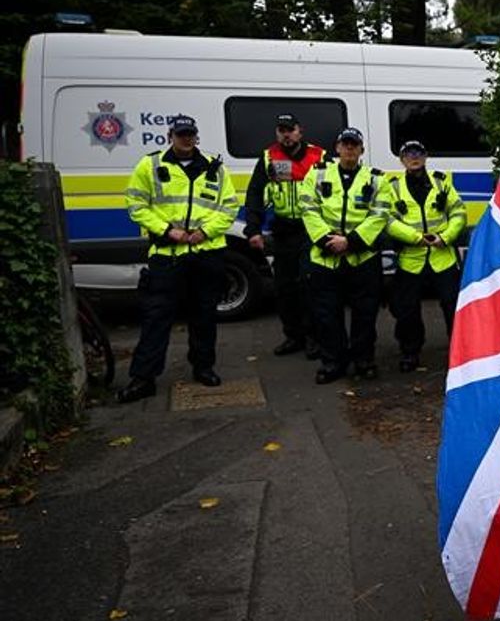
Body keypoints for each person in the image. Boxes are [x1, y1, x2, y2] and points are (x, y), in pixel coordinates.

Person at [116, 116, 239, 403]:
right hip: (167, 256)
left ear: (197, 136)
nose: (186, 139)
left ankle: (203, 367)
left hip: (206, 253)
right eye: (181, 134)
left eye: (190, 134)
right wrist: (168, 231)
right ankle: (143, 378)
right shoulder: (150, 165)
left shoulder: (215, 167)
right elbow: (136, 204)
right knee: (156, 317)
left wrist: (204, 232)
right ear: (170, 135)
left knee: (205, 316)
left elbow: (229, 206)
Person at [299, 127, 391, 384]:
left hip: (361, 259)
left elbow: (379, 215)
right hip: (325, 256)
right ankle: (333, 363)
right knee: (327, 315)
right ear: (337, 148)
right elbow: (308, 208)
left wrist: (350, 242)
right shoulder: (317, 174)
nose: (349, 149)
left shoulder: (376, 179)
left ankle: (363, 361)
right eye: (345, 144)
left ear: (361, 150)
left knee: (365, 315)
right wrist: (329, 240)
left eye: (354, 145)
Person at [242, 113, 327, 359]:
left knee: (309, 285)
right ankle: (293, 336)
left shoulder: (319, 156)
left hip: (310, 229)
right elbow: (255, 194)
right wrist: (253, 229)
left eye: (290, 130)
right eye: (282, 130)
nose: (286, 134)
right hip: (282, 231)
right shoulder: (269, 156)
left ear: (300, 131)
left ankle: (314, 338)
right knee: (284, 287)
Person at [384, 140, 467, 372]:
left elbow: (458, 213)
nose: (414, 157)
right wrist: (415, 237)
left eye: (418, 152)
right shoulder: (392, 187)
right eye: (408, 154)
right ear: (401, 159)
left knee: (453, 307)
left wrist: (446, 237)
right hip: (412, 259)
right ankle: (410, 352)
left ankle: (460, 352)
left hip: (443, 256)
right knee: (406, 309)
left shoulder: (442, 182)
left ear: (425, 156)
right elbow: (387, 220)